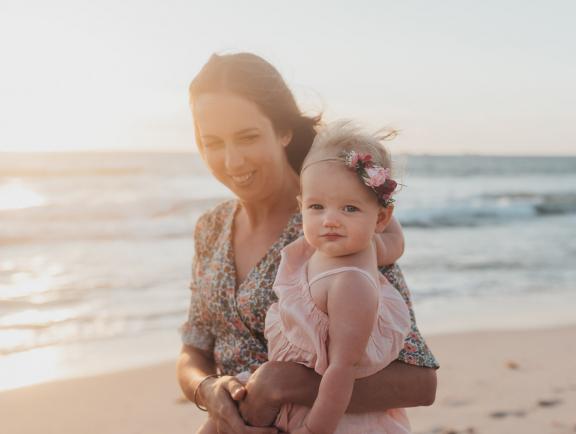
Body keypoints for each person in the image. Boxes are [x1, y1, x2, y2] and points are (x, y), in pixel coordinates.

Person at [175, 52, 439, 434]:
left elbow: (420, 382)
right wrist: (207, 390)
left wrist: (284, 386)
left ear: (283, 130)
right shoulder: (211, 228)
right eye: (212, 142)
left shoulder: (331, 223)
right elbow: (194, 347)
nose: (231, 161)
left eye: (247, 137)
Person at [263, 121, 413, 433]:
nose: (330, 220)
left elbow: (342, 371)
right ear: (301, 207)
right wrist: (371, 210)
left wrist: (312, 430)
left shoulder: (352, 283)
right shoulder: (348, 246)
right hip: (297, 398)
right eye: (316, 206)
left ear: (381, 218)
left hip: (332, 418)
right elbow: (396, 244)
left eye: (349, 208)